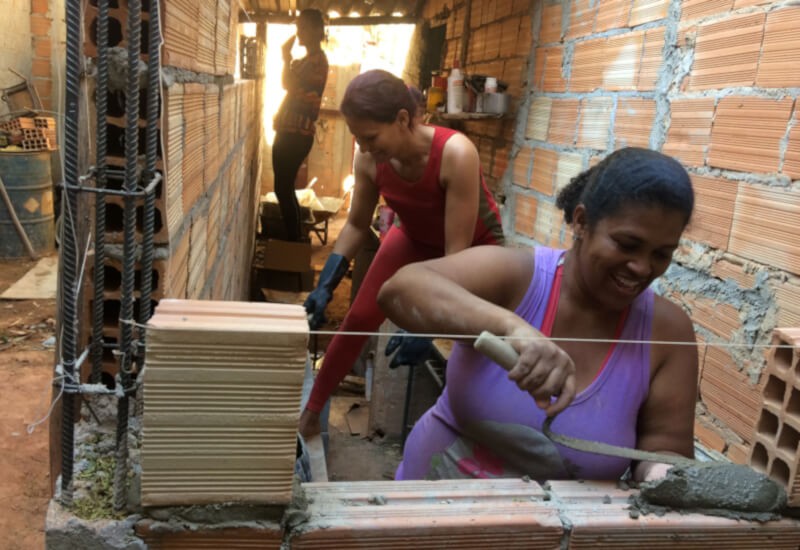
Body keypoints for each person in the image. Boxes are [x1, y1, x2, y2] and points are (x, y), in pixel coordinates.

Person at [376, 147, 698, 483]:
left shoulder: (667, 332)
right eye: (627, 245)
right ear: (581, 221)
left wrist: (664, 475)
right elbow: (399, 290)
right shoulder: (518, 277)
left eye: (662, 254)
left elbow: (663, 447)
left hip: (560, 533)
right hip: (429, 511)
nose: (643, 267)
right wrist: (511, 327)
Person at [299, 69, 505, 437]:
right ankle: (311, 413)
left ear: (403, 119)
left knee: (470, 339)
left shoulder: (456, 153)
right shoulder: (367, 160)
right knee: (360, 315)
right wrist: (326, 282)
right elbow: (357, 224)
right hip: (414, 235)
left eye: (371, 137)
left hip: (471, 251)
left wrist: (428, 326)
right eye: (357, 138)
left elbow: (455, 258)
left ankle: (471, 429)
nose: (363, 147)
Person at [272, 9, 328, 242]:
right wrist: (287, 58)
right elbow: (286, 82)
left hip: (297, 133)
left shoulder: (318, 62)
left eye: (303, 27)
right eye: (298, 28)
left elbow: (293, 86)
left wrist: (286, 57)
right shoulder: (305, 61)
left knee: (283, 189)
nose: (299, 32)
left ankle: (293, 243)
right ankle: (293, 240)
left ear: (317, 30)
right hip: (288, 131)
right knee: (282, 189)